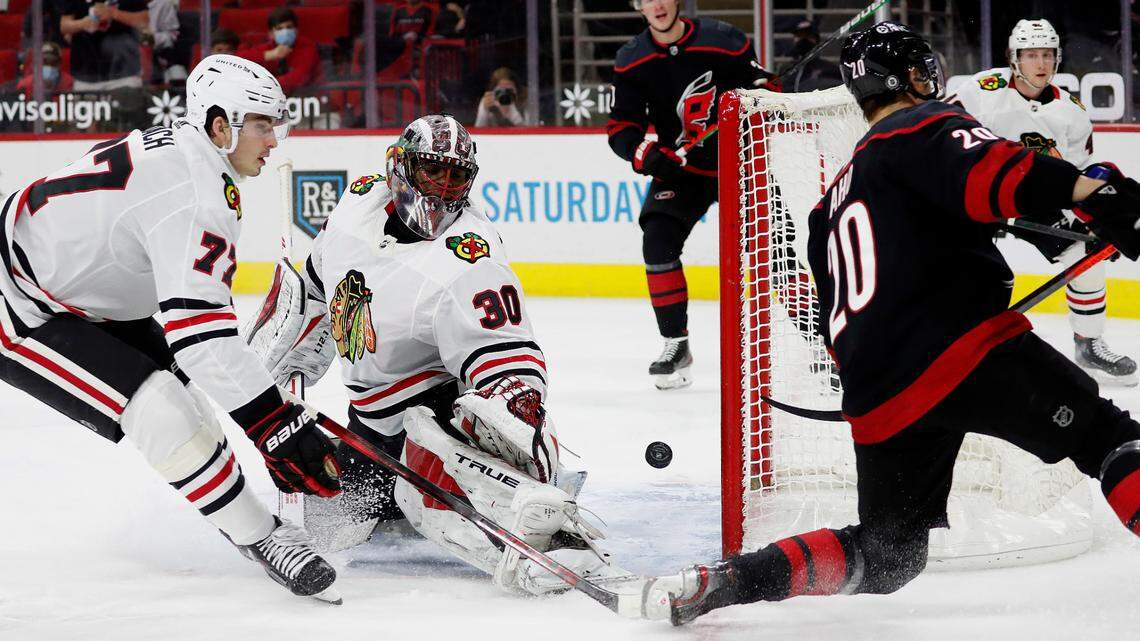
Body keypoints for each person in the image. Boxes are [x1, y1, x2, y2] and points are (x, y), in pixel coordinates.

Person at [640, 22, 1140, 625]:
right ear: (908, 76)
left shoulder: (830, 201)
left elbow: (829, 310)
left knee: (888, 554)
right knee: (1108, 438)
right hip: (964, 351)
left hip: (880, 395)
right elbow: (999, 173)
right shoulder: (924, 126)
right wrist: (1097, 190)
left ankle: (729, 581)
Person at [0, 54, 343, 603]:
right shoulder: (196, 191)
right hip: (16, 301)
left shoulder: (189, 157)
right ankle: (260, 536)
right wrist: (274, 423)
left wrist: (269, 418)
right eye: (262, 126)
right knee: (155, 404)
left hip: (73, 289)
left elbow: (197, 334)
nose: (275, 140)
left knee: (182, 392)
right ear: (220, 126)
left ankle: (241, 516)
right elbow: (202, 336)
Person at [245, 114, 634, 595]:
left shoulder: (471, 258)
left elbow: (505, 352)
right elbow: (319, 286)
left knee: (426, 473)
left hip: (433, 412)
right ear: (401, 167)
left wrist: (513, 402)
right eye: (433, 170)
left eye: (457, 175)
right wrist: (291, 355)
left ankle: (534, 522)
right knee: (332, 526)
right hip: (370, 422)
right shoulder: (359, 201)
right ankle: (415, 497)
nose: (445, 187)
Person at [947, 18, 1137, 387]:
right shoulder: (981, 90)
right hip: (976, 194)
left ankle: (1089, 344)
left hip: (1033, 200)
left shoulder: (1072, 110)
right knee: (947, 262)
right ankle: (938, 341)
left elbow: (1079, 173)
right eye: (1031, 55)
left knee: (1086, 257)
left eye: (1047, 55)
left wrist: (1097, 221)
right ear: (1013, 58)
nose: (1041, 64)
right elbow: (942, 131)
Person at [606, 0, 774, 390]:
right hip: (682, 172)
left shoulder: (725, 41)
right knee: (658, 239)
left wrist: (767, 91)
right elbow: (622, 128)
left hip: (741, 164)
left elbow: (760, 90)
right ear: (637, 6)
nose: (658, 4)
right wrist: (647, 154)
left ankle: (823, 342)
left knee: (774, 249)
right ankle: (675, 345)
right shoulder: (632, 59)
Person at [58, 0, 150, 91]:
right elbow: (64, 26)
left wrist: (114, 13)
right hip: (85, 77)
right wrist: (82, 24)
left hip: (125, 76)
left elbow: (145, 20)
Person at [237, 7, 318, 93]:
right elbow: (238, 59)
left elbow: (299, 78)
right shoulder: (269, 48)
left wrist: (264, 85)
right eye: (279, 28)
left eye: (289, 27)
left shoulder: (308, 47)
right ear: (271, 34)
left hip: (305, 94)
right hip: (272, 95)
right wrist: (269, 55)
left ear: (296, 30)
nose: (285, 31)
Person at [784, 19, 843, 91]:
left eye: (807, 35)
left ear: (816, 39)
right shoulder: (785, 70)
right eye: (799, 35)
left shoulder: (830, 69)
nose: (803, 39)